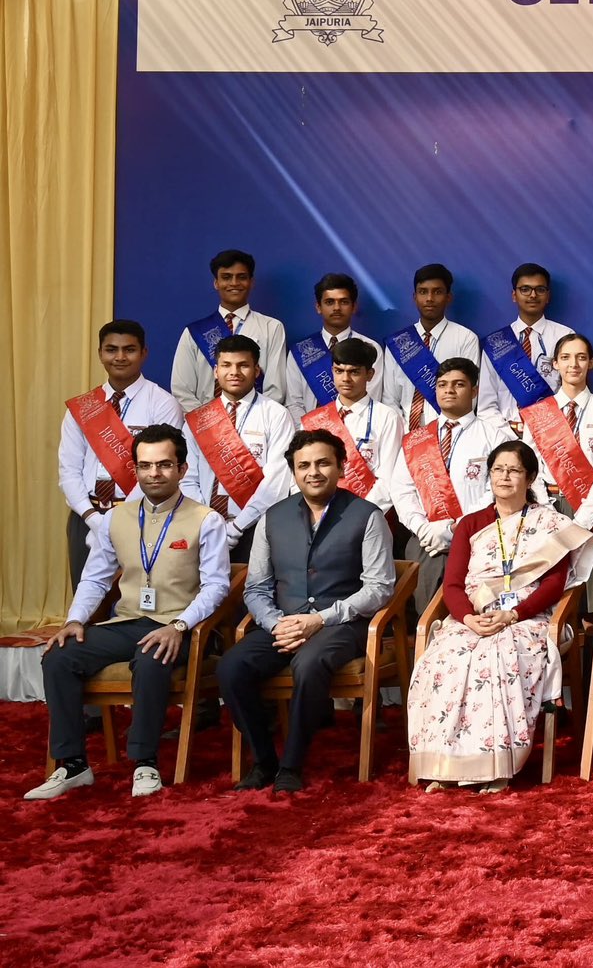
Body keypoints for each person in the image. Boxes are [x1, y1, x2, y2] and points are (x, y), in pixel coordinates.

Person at [29, 426, 230, 801]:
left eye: (164, 465)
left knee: (151, 656)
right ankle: (72, 765)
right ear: (135, 469)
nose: (154, 473)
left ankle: (144, 763)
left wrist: (179, 625)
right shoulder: (115, 518)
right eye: (146, 465)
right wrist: (75, 620)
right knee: (60, 656)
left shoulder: (206, 519)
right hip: (127, 621)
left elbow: (217, 586)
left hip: (179, 626)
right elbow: (95, 578)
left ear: (182, 468)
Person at [408, 440, 593, 792]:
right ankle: (445, 765)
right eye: (498, 470)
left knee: (498, 654)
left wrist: (512, 615)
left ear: (531, 477)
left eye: (514, 470)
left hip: (529, 618)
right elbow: (452, 586)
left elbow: (555, 585)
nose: (505, 477)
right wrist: (468, 619)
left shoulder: (551, 523)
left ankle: (497, 766)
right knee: (445, 656)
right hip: (475, 617)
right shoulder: (471, 524)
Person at [218, 428, 397, 793]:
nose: (313, 472)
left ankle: (292, 764)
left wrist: (320, 619)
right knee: (231, 668)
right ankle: (264, 760)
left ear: (341, 466)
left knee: (310, 662)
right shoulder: (272, 517)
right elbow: (256, 587)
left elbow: (379, 588)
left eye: (323, 463)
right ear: (294, 471)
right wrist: (276, 623)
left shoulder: (367, 516)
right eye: (304, 466)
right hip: (281, 625)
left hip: (340, 625)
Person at [58, 320, 185, 583]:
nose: (119, 357)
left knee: (137, 601)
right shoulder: (83, 407)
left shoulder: (162, 403)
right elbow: (68, 471)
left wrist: (117, 519)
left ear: (144, 353)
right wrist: (94, 519)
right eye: (111, 349)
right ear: (100, 353)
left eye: (129, 349)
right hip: (87, 515)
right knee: (87, 603)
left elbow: (161, 470)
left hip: (143, 517)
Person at [391, 358, 515, 614]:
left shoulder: (494, 436)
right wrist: (424, 528)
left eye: (458, 384)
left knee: (471, 614)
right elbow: (402, 490)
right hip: (426, 543)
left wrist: (455, 529)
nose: (449, 390)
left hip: (478, 540)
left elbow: (497, 490)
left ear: (474, 391)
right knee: (426, 618)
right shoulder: (416, 439)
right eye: (442, 384)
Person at [180, 334, 297, 563]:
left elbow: (276, 483)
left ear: (257, 371)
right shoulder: (198, 419)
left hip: (256, 529)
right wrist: (209, 523)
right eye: (226, 365)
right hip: (201, 529)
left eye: (243, 365)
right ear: (216, 371)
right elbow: (186, 478)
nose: (234, 372)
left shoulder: (276, 415)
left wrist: (236, 527)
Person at [377, 263, 507, 434]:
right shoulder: (399, 342)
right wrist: (406, 434)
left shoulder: (465, 338)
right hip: (403, 434)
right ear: (414, 297)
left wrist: (441, 431)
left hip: (449, 433)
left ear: (448, 297)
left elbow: (469, 397)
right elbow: (389, 399)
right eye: (423, 292)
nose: (429, 298)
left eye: (437, 292)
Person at [526, 334, 593, 540]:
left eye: (581, 357)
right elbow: (530, 469)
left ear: (591, 363)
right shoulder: (539, 412)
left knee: (592, 572)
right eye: (566, 357)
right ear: (555, 363)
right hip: (547, 507)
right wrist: (546, 511)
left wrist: (582, 521)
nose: (574, 364)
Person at [170, 249, 287, 412]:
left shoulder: (272, 327)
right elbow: (181, 390)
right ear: (216, 283)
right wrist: (210, 425)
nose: (234, 283)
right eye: (226, 277)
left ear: (251, 282)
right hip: (204, 428)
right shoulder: (194, 332)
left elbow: (276, 389)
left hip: (258, 424)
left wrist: (255, 419)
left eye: (241, 277)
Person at [320, 338, 404, 511]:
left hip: (365, 518)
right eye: (339, 371)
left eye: (354, 372)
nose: (345, 379)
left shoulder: (388, 418)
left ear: (370, 374)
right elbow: (299, 476)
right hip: (318, 514)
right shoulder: (316, 419)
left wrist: (356, 517)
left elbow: (388, 480)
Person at [282, 272, 379, 420]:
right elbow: (294, 403)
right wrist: (309, 434)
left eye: (344, 302)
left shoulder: (370, 347)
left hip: (355, 434)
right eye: (329, 302)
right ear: (318, 307)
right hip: (309, 434)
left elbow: (371, 398)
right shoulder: (300, 350)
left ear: (354, 307)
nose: (337, 308)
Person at [501, 262, 576, 408]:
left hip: (553, 426)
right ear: (514, 295)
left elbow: (573, 391)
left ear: (548, 296)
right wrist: (505, 430)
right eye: (525, 289)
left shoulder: (565, 336)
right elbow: (487, 404)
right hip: (503, 427)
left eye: (540, 289)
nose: (533, 295)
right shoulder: (497, 343)